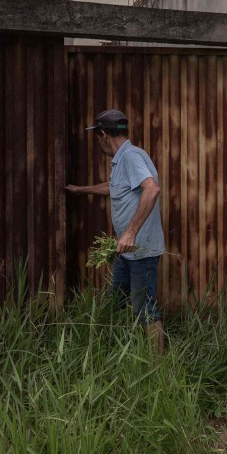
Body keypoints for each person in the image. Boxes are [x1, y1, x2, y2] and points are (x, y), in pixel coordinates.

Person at [64, 109, 166, 354]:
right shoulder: (126, 158)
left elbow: (151, 189)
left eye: (97, 138)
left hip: (139, 251)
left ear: (103, 135)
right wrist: (81, 190)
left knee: (146, 310)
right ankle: (124, 353)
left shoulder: (130, 157)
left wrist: (129, 233)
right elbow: (115, 188)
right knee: (117, 304)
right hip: (125, 252)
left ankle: (160, 367)